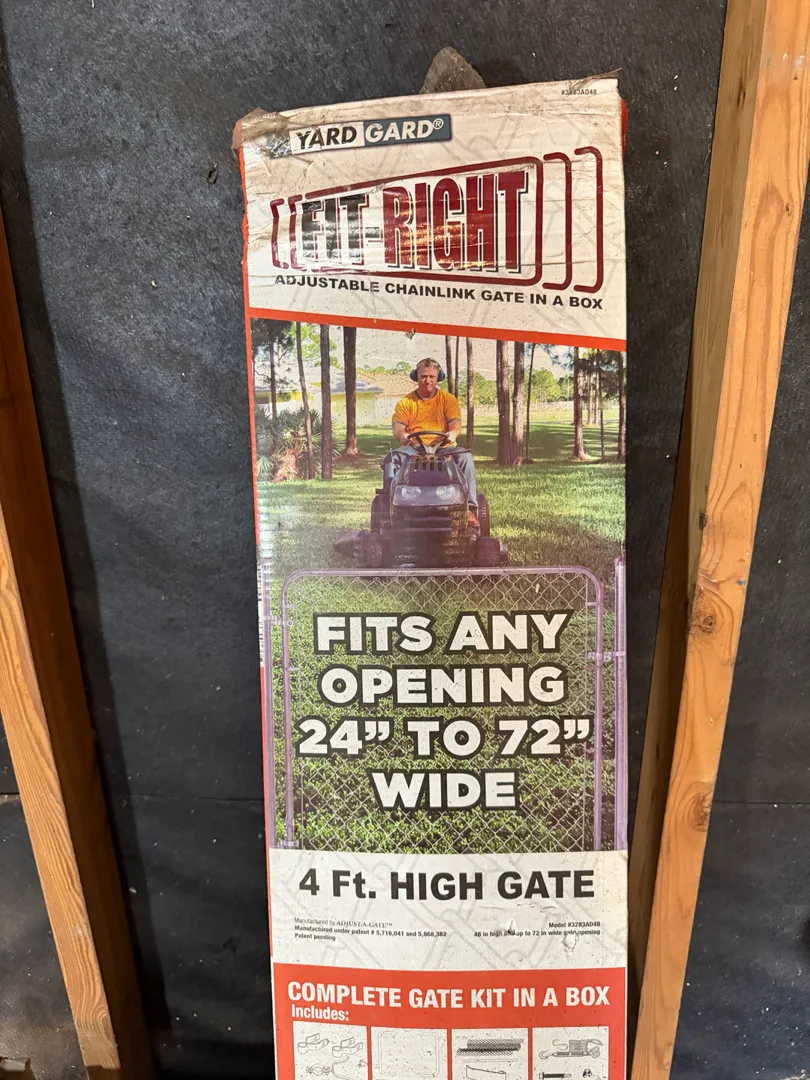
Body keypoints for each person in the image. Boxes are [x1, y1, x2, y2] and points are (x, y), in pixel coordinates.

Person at [386, 357, 479, 525]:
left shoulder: (448, 400)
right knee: (393, 458)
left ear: (438, 377)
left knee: (465, 458)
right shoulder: (406, 403)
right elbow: (398, 428)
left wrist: (453, 433)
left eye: (431, 377)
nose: (427, 380)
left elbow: (455, 425)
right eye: (423, 376)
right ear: (416, 377)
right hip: (414, 447)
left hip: (443, 447)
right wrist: (403, 435)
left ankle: (470, 509)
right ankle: (389, 509)